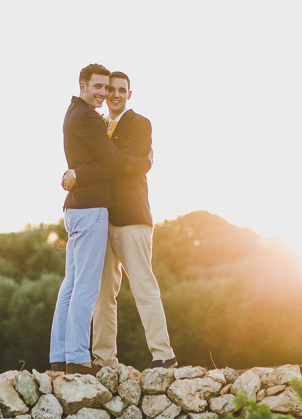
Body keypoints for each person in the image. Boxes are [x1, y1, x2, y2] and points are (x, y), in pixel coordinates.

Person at [63, 71, 177, 369]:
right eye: (110, 89)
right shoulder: (97, 124)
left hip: (131, 218)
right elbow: (109, 162)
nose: (114, 94)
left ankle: (163, 355)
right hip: (101, 219)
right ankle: (104, 359)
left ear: (130, 94)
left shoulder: (140, 124)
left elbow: (121, 166)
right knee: (103, 293)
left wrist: (81, 174)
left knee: (143, 285)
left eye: (121, 90)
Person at [49, 63, 153, 375]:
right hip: (91, 209)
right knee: (87, 287)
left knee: (70, 284)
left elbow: (98, 161)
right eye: (97, 87)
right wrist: (143, 163)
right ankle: (79, 358)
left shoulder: (73, 113)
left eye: (106, 88)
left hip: (77, 208)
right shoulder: (88, 119)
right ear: (82, 85)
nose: (103, 93)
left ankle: (59, 354)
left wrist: (78, 174)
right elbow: (113, 163)